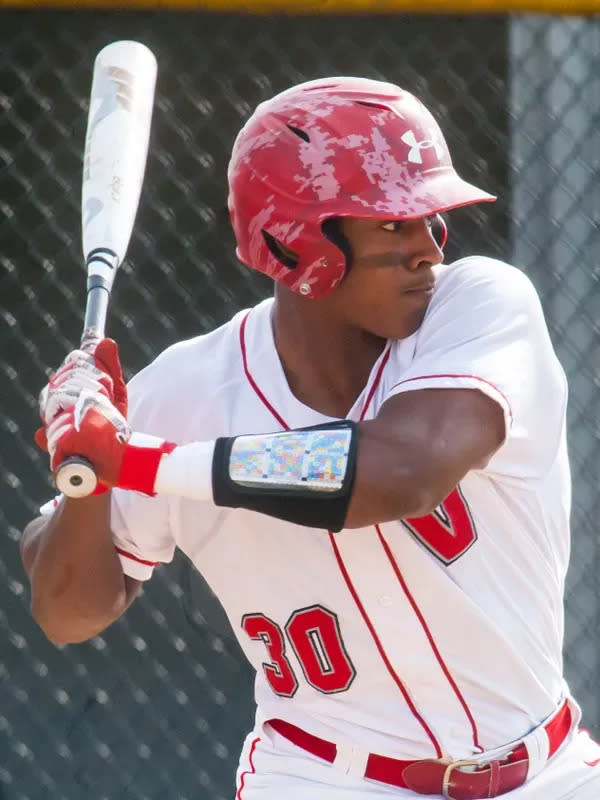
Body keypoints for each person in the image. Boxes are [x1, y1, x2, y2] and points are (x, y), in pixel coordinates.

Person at [20, 77, 600, 800]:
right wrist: (88, 467)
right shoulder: (186, 391)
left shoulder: (479, 308)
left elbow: (399, 472)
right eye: (393, 224)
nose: (428, 248)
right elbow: (67, 611)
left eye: (430, 219)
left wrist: (138, 459)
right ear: (293, 243)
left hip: (546, 772)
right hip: (325, 778)